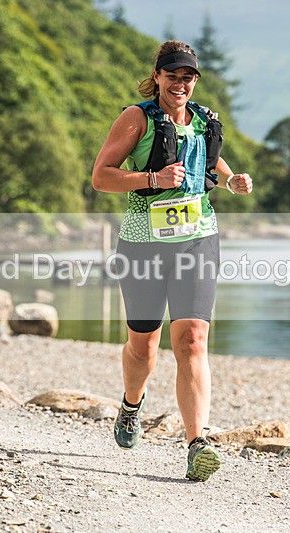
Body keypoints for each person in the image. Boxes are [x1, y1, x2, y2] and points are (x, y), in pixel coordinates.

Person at [91, 40, 252, 482]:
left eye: (188, 76)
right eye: (172, 75)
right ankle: (130, 405)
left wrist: (232, 180)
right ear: (158, 77)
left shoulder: (203, 120)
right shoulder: (136, 118)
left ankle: (196, 443)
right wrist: (152, 178)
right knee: (144, 346)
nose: (180, 83)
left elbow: (211, 161)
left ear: (195, 80)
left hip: (198, 240)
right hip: (143, 242)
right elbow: (101, 177)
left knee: (192, 339)